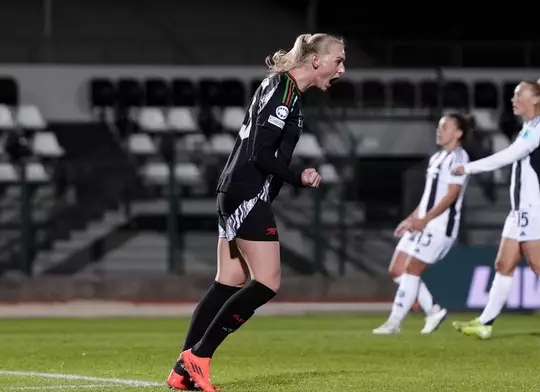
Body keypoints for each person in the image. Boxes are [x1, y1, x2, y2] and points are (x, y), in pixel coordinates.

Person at [166, 33, 346, 392]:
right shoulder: (283, 91)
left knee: (228, 282)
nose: (342, 68)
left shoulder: (282, 88)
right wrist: (298, 176)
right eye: (338, 60)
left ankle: (181, 369)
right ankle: (199, 357)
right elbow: (260, 154)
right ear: (316, 61)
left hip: (235, 190)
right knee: (267, 283)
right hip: (246, 193)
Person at [451, 78, 540, 342]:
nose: (513, 99)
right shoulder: (531, 126)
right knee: (503, 263)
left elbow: (509, 155)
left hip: (536, 207)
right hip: (520, 210)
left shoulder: (539, 127)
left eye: (519, 95)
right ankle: (485, 323)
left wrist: (469, 167)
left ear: (535, 100)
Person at [372, 113, 472, 335]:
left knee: (411, 269)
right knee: (397, 269)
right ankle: (433, 311)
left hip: (440, 226)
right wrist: (412, 218)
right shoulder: (437, 158)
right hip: (424, 222)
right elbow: (430, 197)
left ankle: (394, 322)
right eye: (439, 127)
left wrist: (425, 220)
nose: (439, 131)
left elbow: (451, 195)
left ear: (458, 133)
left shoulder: (459, 158)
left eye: (444, 127)